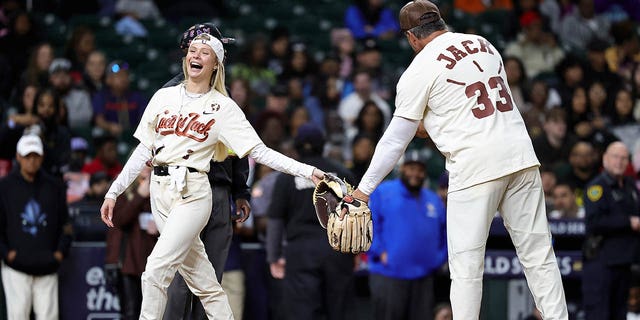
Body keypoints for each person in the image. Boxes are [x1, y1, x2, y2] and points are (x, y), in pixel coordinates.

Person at [347, 1, 568, 319]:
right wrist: (430, 122)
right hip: (520, 154)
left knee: (466, 264)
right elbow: (468, 100)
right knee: (539, 254)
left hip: (475, 164)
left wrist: (363, 191)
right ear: (441, 23)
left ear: (411, 37)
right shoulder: (484, 44)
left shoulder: (419, 69)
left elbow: (397, 139)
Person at [99, 30, 326, 320]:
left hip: (193, 191)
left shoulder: (224, 106)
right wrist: (114, 191)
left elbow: (260, 152)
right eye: (193, 50)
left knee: (154, 270)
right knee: (206, 284)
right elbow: (144, 149)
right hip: (160, 189)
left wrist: (308, 171)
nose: (196, 55)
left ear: (216, 63)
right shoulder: (163, 96)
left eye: (205, 52)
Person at [161, 23, 253, 320]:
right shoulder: (169, 95)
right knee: (178, 279)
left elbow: (238, 148)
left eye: (213, 49)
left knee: (211, 282)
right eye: (200, 49)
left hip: (219, 193)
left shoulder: (223, 98)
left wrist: (241, 191)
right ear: (188, 53)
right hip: (183, 191)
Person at [266, 123, 356, 320]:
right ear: (323, 145)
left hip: (301, 251)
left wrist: (274, 256)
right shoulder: (342, 175)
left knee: (302, 312)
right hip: (338, 249)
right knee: (339, 310)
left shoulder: (287, 177)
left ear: (297, 146)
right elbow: (356, 216)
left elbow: (275, 220)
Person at [367, 149, 447, 320]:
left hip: (424, 277)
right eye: (411, 168)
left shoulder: (433, 200)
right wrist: (379, 251)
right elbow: (368, 225)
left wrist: (438, 258)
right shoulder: (384, 191)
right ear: (402, 169)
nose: (415, 174)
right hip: (389, 274)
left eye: (420, 170)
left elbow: (446, 233)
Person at [0, 134, 72, 319]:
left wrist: (59, 253)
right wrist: (7, 253)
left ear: (41, 157)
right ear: (18, 157)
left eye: (35, 156)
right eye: (27, 156)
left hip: (47, 265)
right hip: (16, 267)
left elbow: (66, 224)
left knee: (49, 316)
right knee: (17, 316)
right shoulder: (4, 187)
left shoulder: (54, 186)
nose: (31, 161)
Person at [582, 141, 640, 320]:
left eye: (624, 158)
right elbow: (594, 222)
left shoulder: (630, 186)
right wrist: (628, 222)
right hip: (602, 262)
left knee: (619, 314)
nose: (619, 161)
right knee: (600, 314)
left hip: (624, 262)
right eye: (615, 157)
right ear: (605, 159)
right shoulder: (597, 187)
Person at [105, 166, 158, 320]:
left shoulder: (163, 187)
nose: (148, 168)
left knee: (154, 312)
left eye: (151, 164)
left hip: (153, 258)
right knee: (130, 311)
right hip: (129, 261)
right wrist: (140, 195)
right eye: (144, 163)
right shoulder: (122, 186)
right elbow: (119, 220)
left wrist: (160, 226)